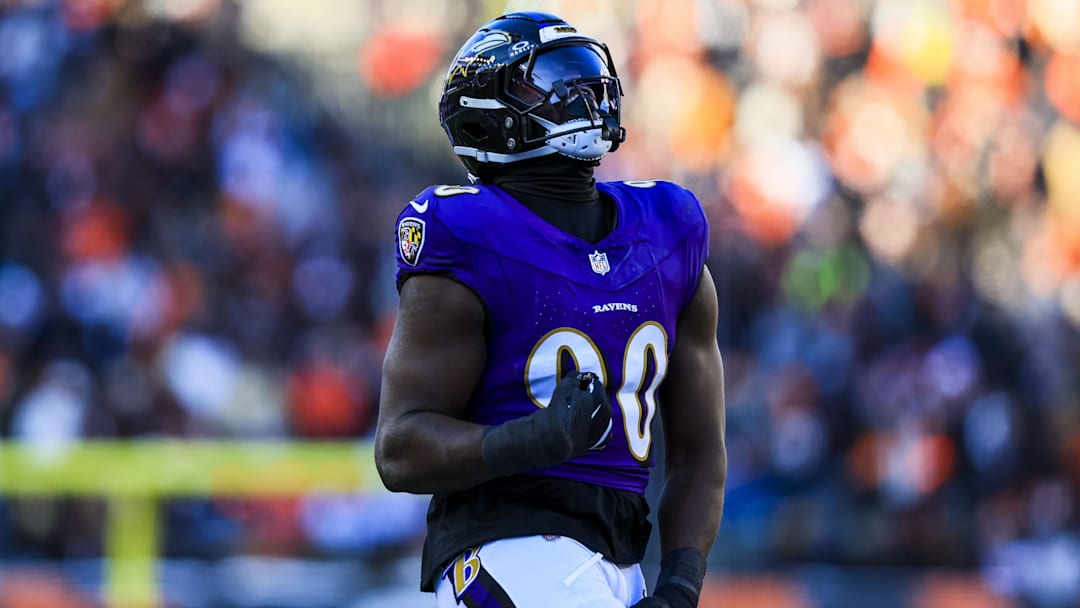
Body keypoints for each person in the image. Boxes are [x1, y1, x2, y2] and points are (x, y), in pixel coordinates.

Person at [375, 11, 727, 608]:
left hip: (623, 557)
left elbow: (701, 452)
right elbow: (400, 449)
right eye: (553, 79)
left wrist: (679, 586)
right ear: (488, 112)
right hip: (505, 541)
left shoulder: (669, 230)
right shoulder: (468, 233)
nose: (583, 92)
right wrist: (534, 439)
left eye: (588, 73)